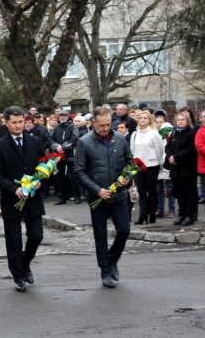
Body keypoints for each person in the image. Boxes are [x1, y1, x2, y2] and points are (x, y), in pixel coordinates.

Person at [74, 107, 133, 289]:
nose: (106, 128)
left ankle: (112, 258)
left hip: (119, 194)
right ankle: (105, 271)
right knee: (101, 235)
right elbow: (79, 171)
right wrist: (97, 190)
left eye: (109, 124)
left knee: (124, 230)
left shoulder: (120, 139)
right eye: (102, 125)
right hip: (97, 197)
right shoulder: (84, 142)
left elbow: (131, 162)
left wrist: (128, 176)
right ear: (93, 123)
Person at [0, 106, 45, 292]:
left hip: (33, 198)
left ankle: (25, 261)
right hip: (12, 198)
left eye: (21, 122)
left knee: (36, 235)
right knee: (14, 240)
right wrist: (14, 189)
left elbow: (43, 166)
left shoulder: (35, 141)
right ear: (6, 123)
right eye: (14, 122)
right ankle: (18, 275)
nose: (19, 125)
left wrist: (40, 181)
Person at [130, 110, 164, 225]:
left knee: (152, 190)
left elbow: (159, 150)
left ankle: (152, 213)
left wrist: (159, 161)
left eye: (145, 118)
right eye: (141, 118)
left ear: (149, 120)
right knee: (142, 191)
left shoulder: (154, 134)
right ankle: (142, 214)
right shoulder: (135, 134)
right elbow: (133, 150)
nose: (143, 120)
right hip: (139, 165)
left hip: (151, 164)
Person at [49, 109, 80, 205]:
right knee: (59, 177)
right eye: (60, 115)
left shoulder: (72, 126)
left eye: (64, 115)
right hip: (58, 156)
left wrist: (63, 147)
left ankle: (77, 196)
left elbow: (75, 139)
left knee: (74, 177)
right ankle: (61, 197)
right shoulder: (56, 127)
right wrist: (56, 147)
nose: (62, 117)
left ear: (68, 116)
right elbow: (50, 139)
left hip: (70, 155)